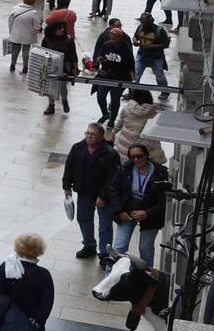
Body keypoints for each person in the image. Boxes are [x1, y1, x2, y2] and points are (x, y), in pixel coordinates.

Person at [62, 124, 121, 260]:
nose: (88, 136)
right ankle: (89, 245)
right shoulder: (78, 148)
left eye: (92, 134)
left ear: (101, 137)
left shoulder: (110, 154)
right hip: (84, 192)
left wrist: (103, 196)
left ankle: (105, 254)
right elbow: (69, 167)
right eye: (87, 133)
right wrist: (67, 186)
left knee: (105, 225)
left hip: (103, 195)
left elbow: (113, 178)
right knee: (83, 219)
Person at [105, 143, 170, 266]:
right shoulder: (125, 169)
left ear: (146, 155)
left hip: (151, 214)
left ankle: (147, 278)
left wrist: (147, 213)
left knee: (145, 248)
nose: (136, 160)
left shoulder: (160, 173)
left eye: (139, 156)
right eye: (132, 157)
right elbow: (114, 189)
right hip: (128, 211)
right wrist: (119, 211)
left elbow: (165, 201)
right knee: (119, 246)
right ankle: (111, 276)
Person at [92, 19, 135, 128]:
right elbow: (100, 55)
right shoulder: (106, 45)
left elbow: (131, 65)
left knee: (115, 99)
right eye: (111, 37)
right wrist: (99, 61)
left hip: (120, 77)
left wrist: (133, 82)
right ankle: (105, 114)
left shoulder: (126, 48)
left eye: (115, 38)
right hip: (106, 75)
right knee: (100, 96)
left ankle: (112, 119)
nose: (112, 40)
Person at [40, 7, 78, 116]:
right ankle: (51, 105)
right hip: (50, 65)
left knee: (62, 86)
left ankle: (64, 100)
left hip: (64, 66)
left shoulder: (69, 39)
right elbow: (43, 53)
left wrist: (74, 67)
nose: (62, 30)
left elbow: (73, 54)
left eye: (63, 28)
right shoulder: (47, 40)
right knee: (50, 86)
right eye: (59, 28)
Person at [114, 89, 163, 167]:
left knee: (126, 167)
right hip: (146, 147)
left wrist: (113, 135)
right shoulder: (152, 113)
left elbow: (119, 124)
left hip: (126, 146)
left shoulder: (126, 109)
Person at [6, 0, 42, 73]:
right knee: (26, 52)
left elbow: (10, 21)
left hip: (16, 34)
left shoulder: (15, 9)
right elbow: (37, 26)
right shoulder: (33, 13)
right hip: (28, 36)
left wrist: (11, 31)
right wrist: (35, 32)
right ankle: (25, 67)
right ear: (34, 2)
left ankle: (12, 65)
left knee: (15, 50)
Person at [133, 13, 172, 87]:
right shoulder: (140, 28)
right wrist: (135, 41)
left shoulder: (160, 31)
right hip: (142, 54)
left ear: (151, 21)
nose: (144, 25)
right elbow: (135, 36)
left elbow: (166, 44)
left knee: (159, 75)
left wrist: (151, 46)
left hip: (156, 56)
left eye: (146, 23)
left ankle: (164, 90)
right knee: (136, 72)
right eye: (143, 22)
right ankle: (132, 89)